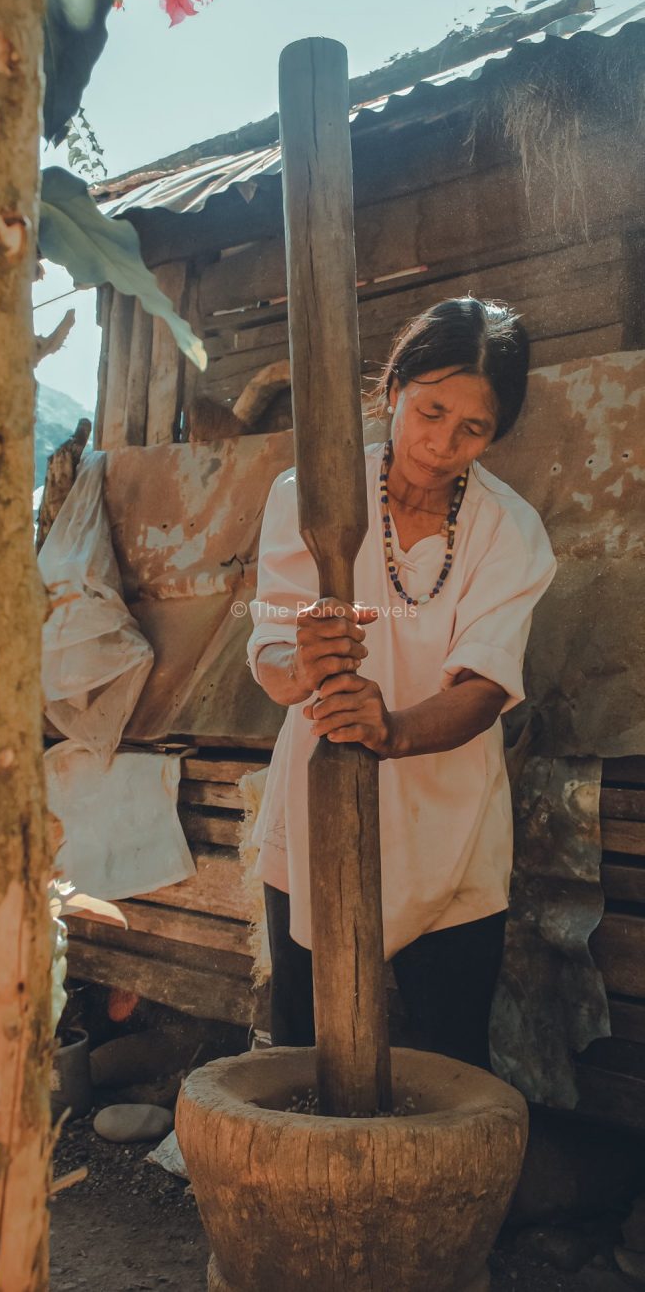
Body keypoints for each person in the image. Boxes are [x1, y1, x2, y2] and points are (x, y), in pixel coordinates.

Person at [246, 296, 557, 1072]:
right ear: (394, 391)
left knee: (449, 1061)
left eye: (471, 428)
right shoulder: (309, 498)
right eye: (431, 409)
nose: (441, 442)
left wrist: (391, 730)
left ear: (496, 436)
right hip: (317, 810)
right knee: (302, 1052)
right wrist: (302, 665)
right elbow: (271, 653)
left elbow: (485, 686)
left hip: (450, 822)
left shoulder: (507, 531)